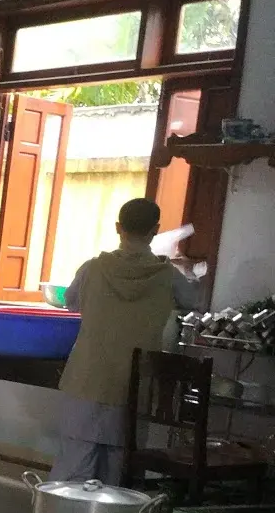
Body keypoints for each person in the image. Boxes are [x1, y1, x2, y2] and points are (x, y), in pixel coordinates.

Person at [52, 197, 202, 483]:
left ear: (118, 227)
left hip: (87, 378)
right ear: (155, 229)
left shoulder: (92, 268)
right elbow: (194, 302)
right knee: (119, 471)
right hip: (134, 383)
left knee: (73, 466)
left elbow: (70, 301)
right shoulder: (168, 276)